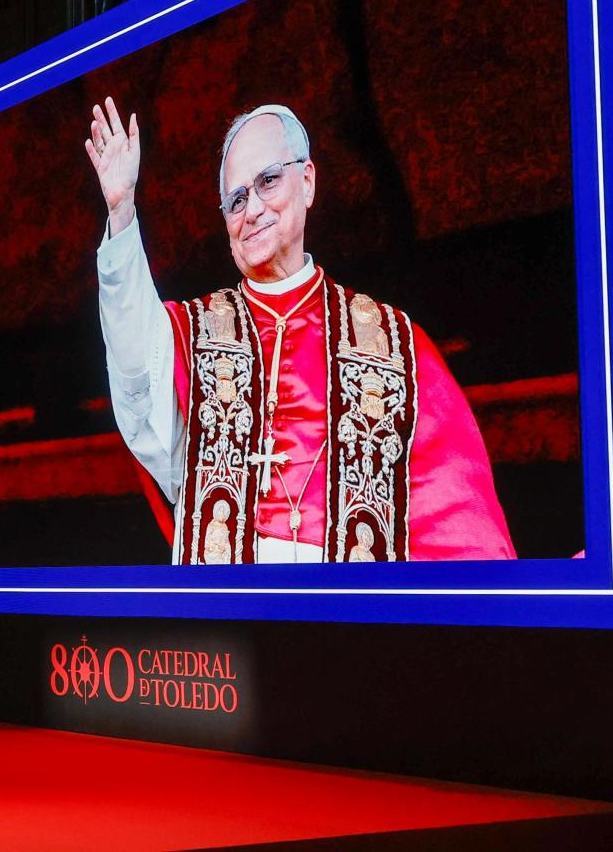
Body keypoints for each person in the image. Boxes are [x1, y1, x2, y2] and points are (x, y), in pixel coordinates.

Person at [87, 97, 515, 564]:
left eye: (267, 181)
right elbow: (135, 364)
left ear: (307, 181)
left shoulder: (394, 342)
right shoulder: (196, 332)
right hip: (228, 618)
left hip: (344, 623)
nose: (251, 210)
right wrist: (122, 210)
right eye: (235, 200)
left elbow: (457, 515)